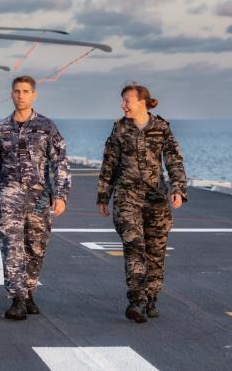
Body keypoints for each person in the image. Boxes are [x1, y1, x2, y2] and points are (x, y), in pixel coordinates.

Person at [0, 75, 70, 320]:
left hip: (40, 197)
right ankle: (17, 298)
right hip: (9, 196)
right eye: (17, 91)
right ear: (11, 94)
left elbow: (59, 162)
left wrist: (61, 194)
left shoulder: (47, 127)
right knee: (11, 248)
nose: (20, 95)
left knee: (36, 248)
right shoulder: (0, 129)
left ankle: (28, 290)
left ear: (34, 95)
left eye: (25, 91)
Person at [97, 83, 187, 323]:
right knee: (134, 245)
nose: (122, 105)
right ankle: (136, 299)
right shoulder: (119, 130)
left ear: (142, 102)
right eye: (122, 100)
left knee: (155, 252)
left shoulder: (161, 128)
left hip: (156, 200)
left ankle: (151, 296)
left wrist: (178, 189)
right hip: (127, 198)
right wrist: (103, 195)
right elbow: (109, 164)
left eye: (127, 100)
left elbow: (174, 161)